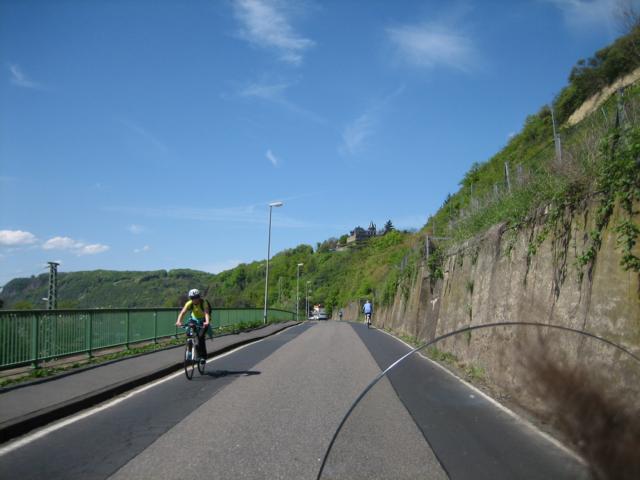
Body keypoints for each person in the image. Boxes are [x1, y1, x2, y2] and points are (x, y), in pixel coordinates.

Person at [175, 289, 211, 364]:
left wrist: (207, 322)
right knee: (189, 334)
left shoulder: (204, 303)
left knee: (200, 337)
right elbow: (182, 313)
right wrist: (178, 321)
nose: (195, 299)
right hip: (193, 320)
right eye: (192, 298)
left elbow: (206, 313)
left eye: (196, 297)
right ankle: (189, 353)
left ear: (199, 297)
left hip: (203, 321)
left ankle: (202, 357)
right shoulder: (189, 303)